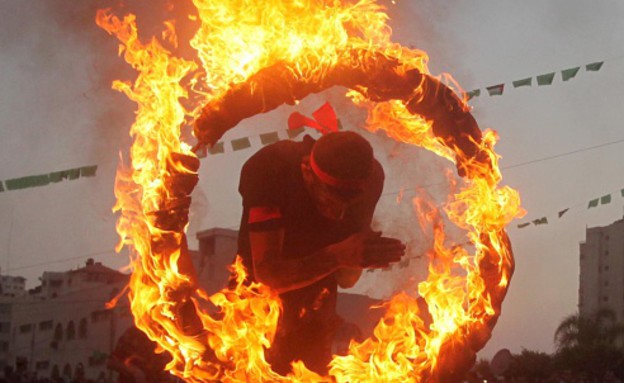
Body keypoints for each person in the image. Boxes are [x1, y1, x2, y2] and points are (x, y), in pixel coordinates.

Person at [236, 130, 406, 375]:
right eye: (329, 201)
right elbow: (267, 273)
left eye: (349, 204)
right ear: (307, 173)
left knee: (314, 368)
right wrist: (341, 255)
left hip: (319, 303)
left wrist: (364, 253)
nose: (339, 214)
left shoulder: (371, 178)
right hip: (257, 303)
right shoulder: (270, 169)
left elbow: (347, 279)